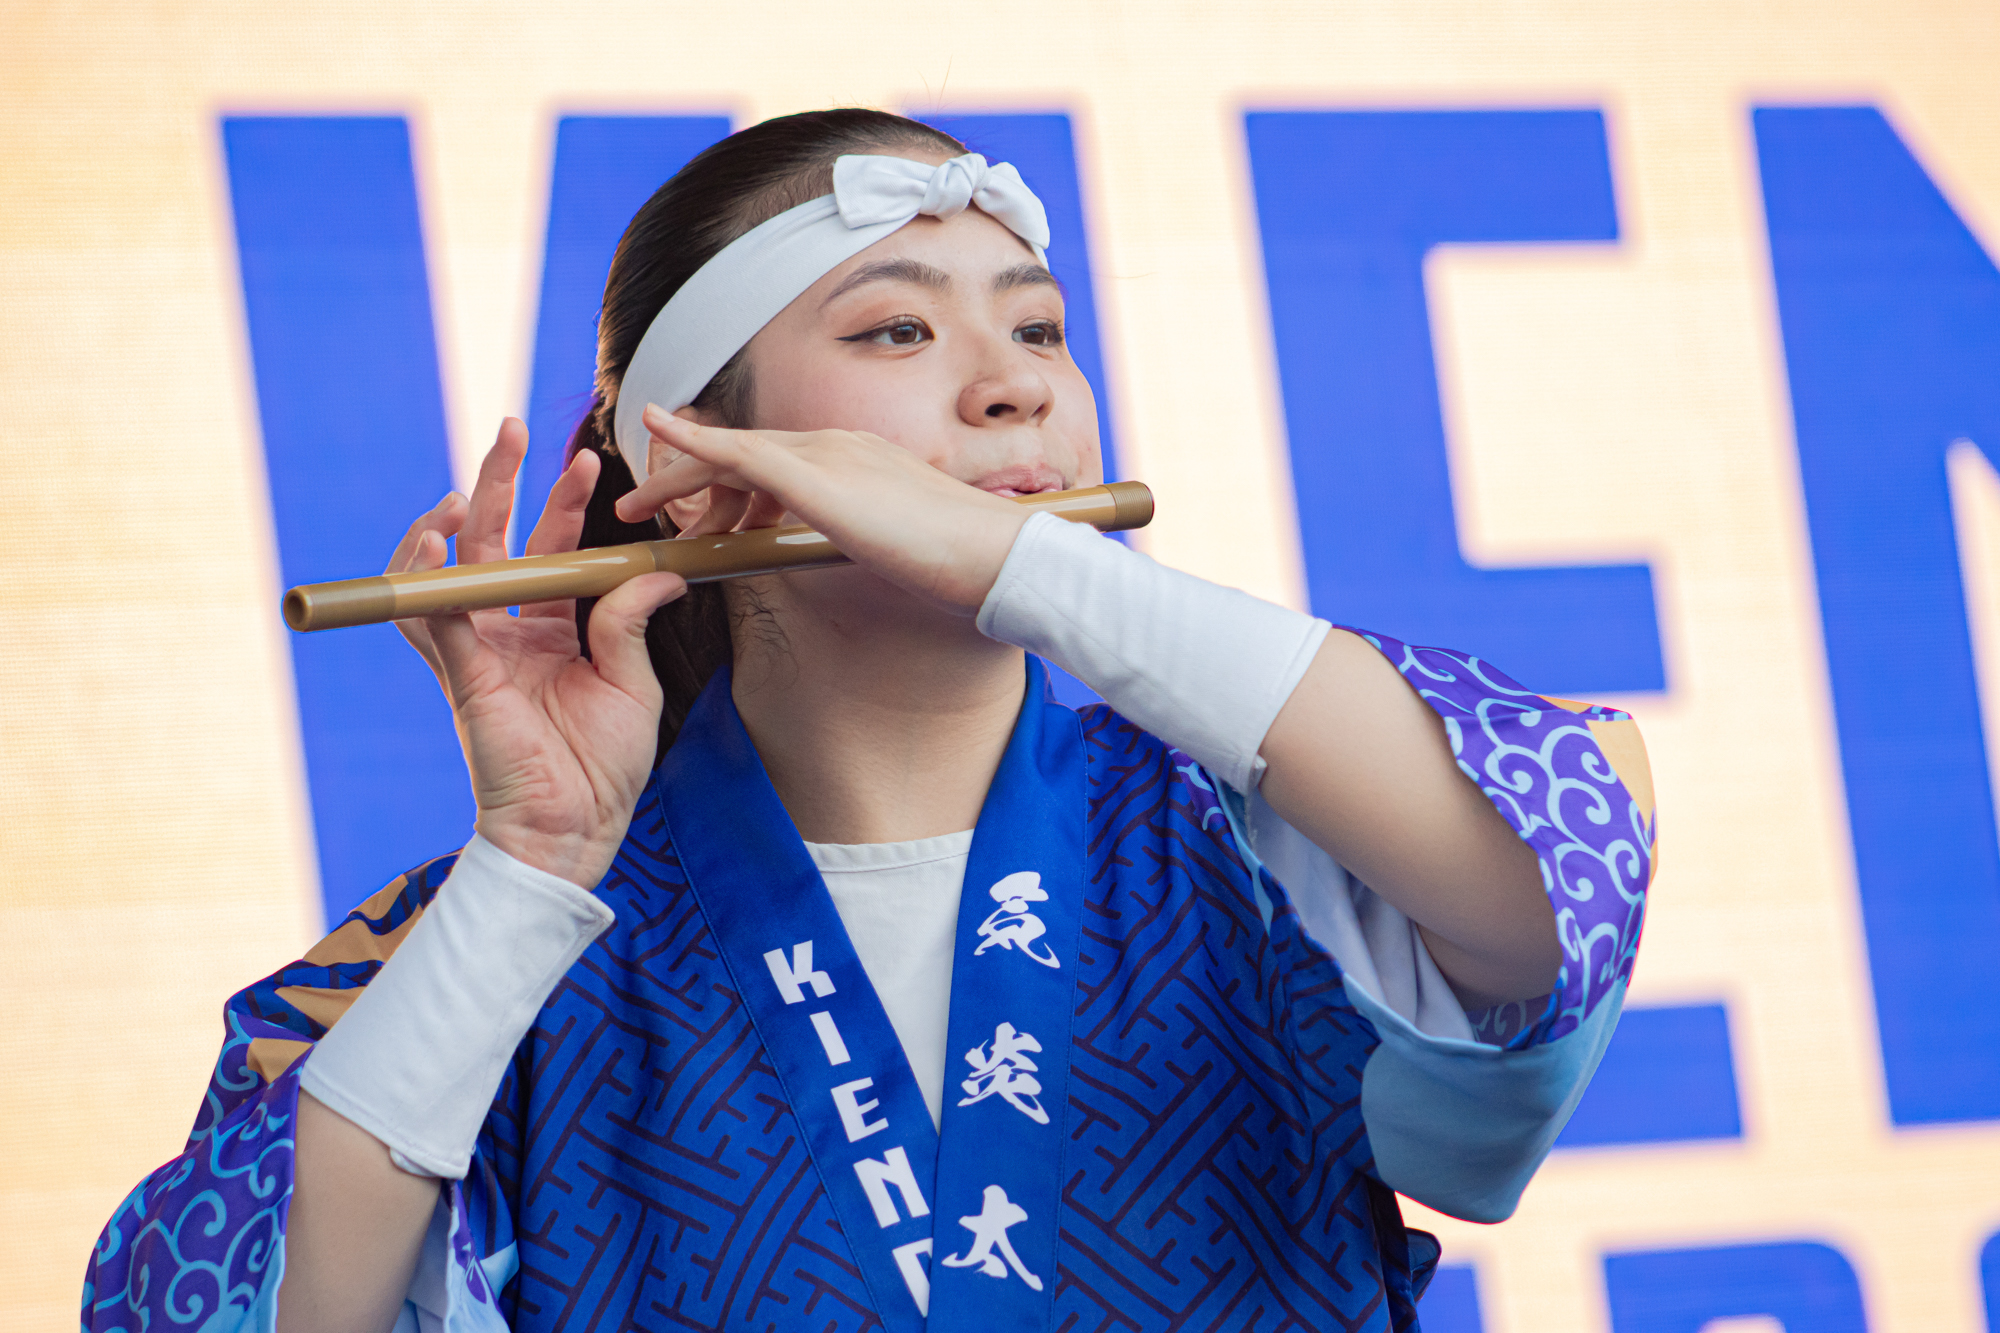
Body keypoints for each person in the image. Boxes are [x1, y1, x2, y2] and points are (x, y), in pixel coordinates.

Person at [83, 108, 1655, 1333]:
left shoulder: (1257, 835)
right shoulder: (477, 948)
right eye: (898, 331)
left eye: (1037, 330)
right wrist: (529, 864)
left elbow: (1553, 877)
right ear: (688, 467)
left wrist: (1042, 571)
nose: (1011, 387)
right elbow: (217, 1306)